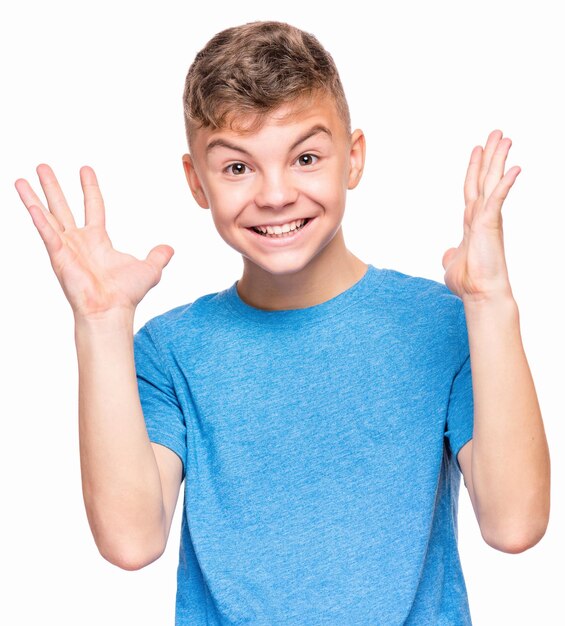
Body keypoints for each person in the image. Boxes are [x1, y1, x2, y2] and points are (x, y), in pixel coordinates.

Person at [15, 19, 550, 626]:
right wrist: (101, 324)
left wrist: (491, 306)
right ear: (197, 182)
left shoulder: (443, 326)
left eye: (306, 157)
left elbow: (515, 525)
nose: (274, 194)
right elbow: (131, 541)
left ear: (354, 159)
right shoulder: (170, 353)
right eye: (238, 168)